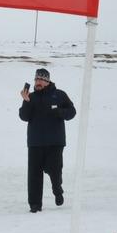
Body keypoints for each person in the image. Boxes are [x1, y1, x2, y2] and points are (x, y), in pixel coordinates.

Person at [19, 68, 76, 213]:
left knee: (55, 170)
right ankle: (35, 204)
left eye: (40, 80)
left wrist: (60, 112)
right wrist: (26, 101)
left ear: (47, 81)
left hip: (55, 142)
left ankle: (57, 190)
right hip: (35, 142)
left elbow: (72, 112)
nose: (37, 82)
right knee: (34, 175)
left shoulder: (60, 95)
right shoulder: (30, 97)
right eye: (36, 79)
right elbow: (24, 117)